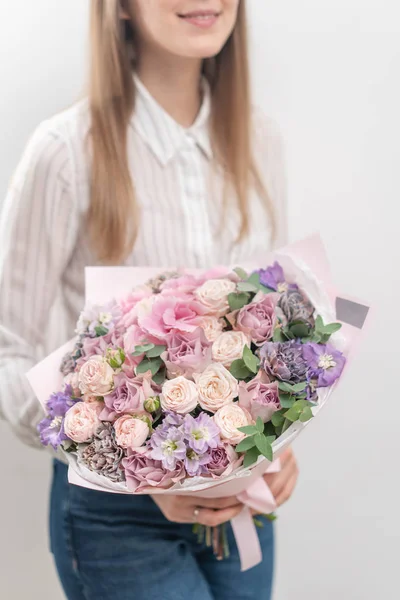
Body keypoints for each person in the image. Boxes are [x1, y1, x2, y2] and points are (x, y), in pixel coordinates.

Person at [0, 1, 299, 599]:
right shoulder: (67, 153)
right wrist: (132, 469)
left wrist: (279, 437)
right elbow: (9, 354)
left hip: (245, 506)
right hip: (116, 521)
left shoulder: (258, 140)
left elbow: (274, 331)